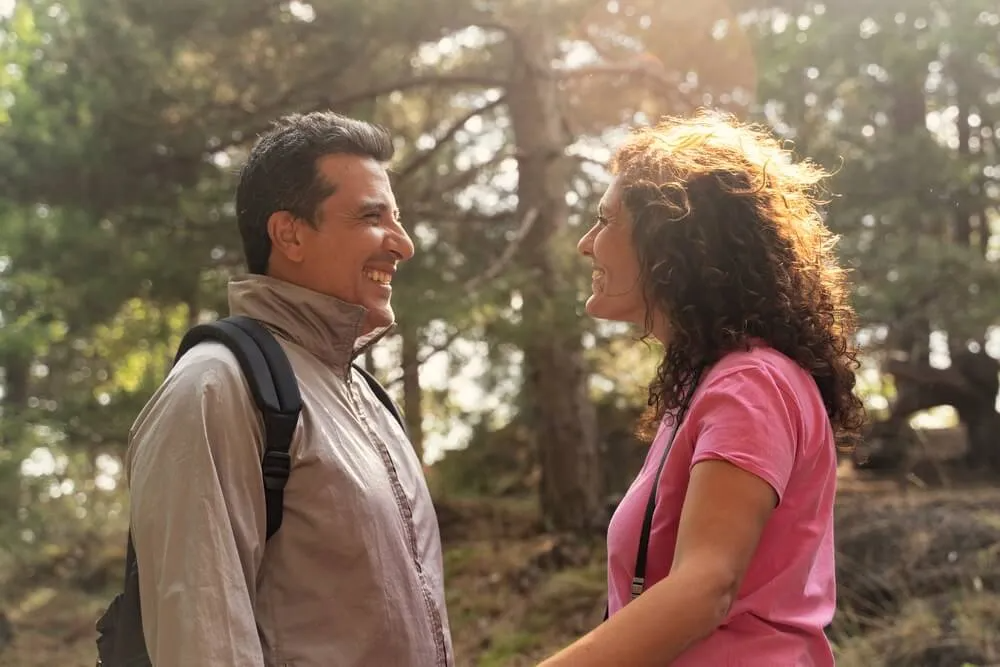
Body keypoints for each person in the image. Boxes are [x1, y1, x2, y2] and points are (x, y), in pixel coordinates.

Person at [125, 111, 453, 666]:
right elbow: (201, 640)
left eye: (396, 218)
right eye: (371, 216)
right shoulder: (215, 387)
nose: (403, 244)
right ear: (290, 234)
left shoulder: (368, 398)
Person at [539, 110, 864, 666]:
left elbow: (705, 587)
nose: (586, 244)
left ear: (673, 242)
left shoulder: (749, 384)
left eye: (605, 221)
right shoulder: (714, 384)